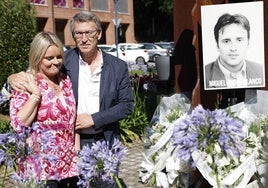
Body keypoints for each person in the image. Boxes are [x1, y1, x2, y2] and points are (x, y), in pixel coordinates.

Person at [8, 10, 134, 187]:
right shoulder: (64, 62)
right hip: (74, 145)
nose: (84, 39)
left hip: (105, 139)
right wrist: (11, 79)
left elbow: (127, 106)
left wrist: (94, 119)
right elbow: (36, 69)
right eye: (78, 33)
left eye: (89, 33)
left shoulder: (117, 66)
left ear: (99, 33)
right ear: (73, 36)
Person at [9, 32, 79, 187]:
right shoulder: (27, 81)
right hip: (42, 167)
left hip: (69, 166)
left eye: (59, 57)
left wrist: (77, 152)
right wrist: (36, 94)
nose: (56, 62)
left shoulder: (65, 80)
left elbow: (71, 121)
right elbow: (18, 124)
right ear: (37, 57)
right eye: (49, 58)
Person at [205, 13, 264, 89]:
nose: (233, 48)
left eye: (239, 40)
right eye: (226, 41)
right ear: (217, 45)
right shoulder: (205, 75)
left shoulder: (261, 71)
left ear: (248, 43)